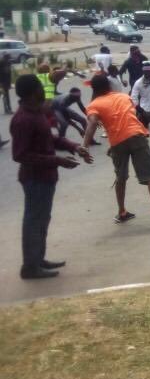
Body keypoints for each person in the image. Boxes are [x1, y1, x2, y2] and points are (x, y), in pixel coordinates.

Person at [10, 74, 93, 279]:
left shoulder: (37, 112)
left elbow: (51, 139)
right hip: (34, 178)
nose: (43, 90)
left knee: (41, 220)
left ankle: (38, 259)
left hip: (45, 177)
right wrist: (57, 161)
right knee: (34, 221)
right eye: (39, 86)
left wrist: (74, 147)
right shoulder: (23, 119)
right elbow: (20, 155)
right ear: (32, 92)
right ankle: (30, 267)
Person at [82, 74, 150, 225]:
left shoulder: (94, 105)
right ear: (109, 86)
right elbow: (127, 117)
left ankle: (122, 212)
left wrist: (85, 146)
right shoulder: (123, 97)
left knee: (121, 177)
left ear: (93, 89)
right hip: (136, 135)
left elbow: (93, 123)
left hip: (118, 142)